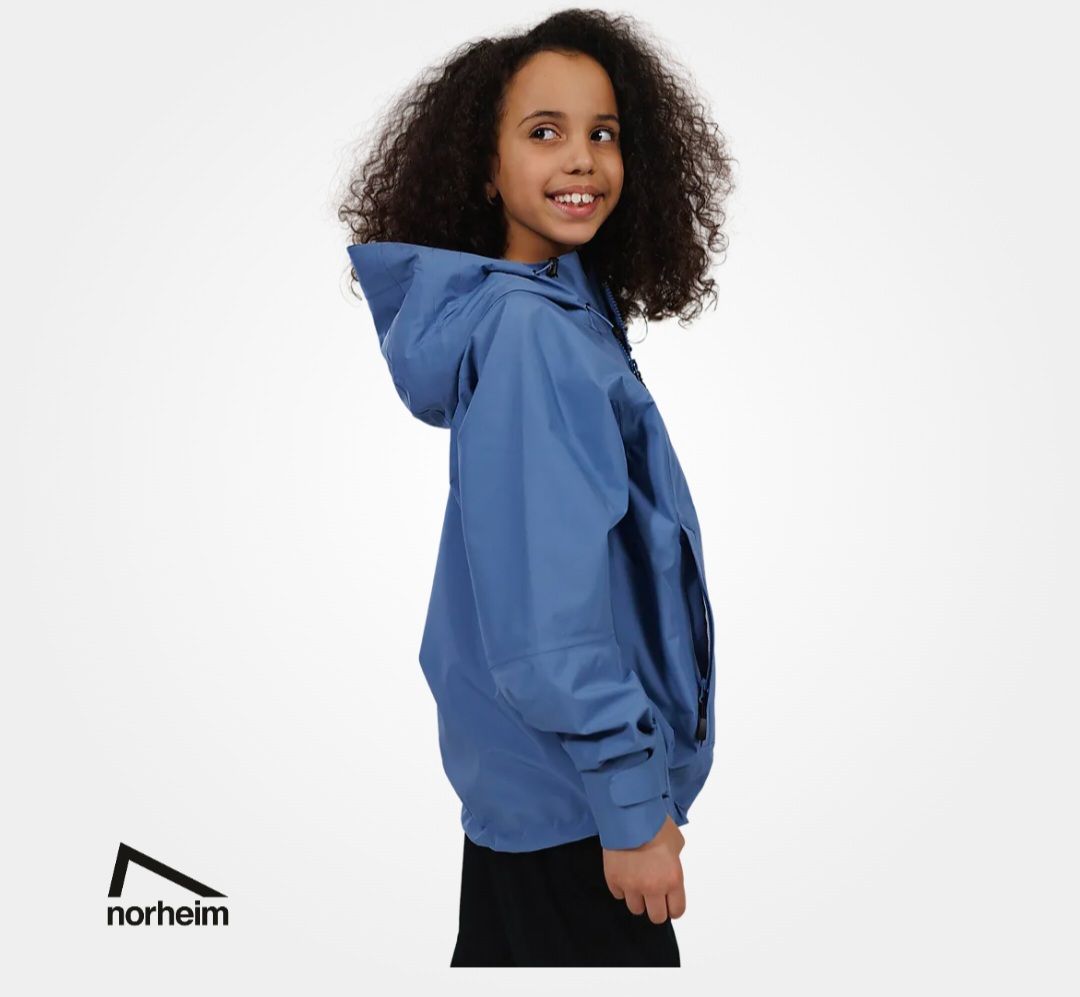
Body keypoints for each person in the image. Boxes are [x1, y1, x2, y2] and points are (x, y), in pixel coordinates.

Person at [339, 7, 735, 968]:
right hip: (574, 808)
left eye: (603, 132)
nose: (582, 159)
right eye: (544, 132)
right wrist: (631, 804)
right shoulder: (529, 334)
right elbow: (548, 614)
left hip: (536, 794)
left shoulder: (558, 313)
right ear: (485, 168)